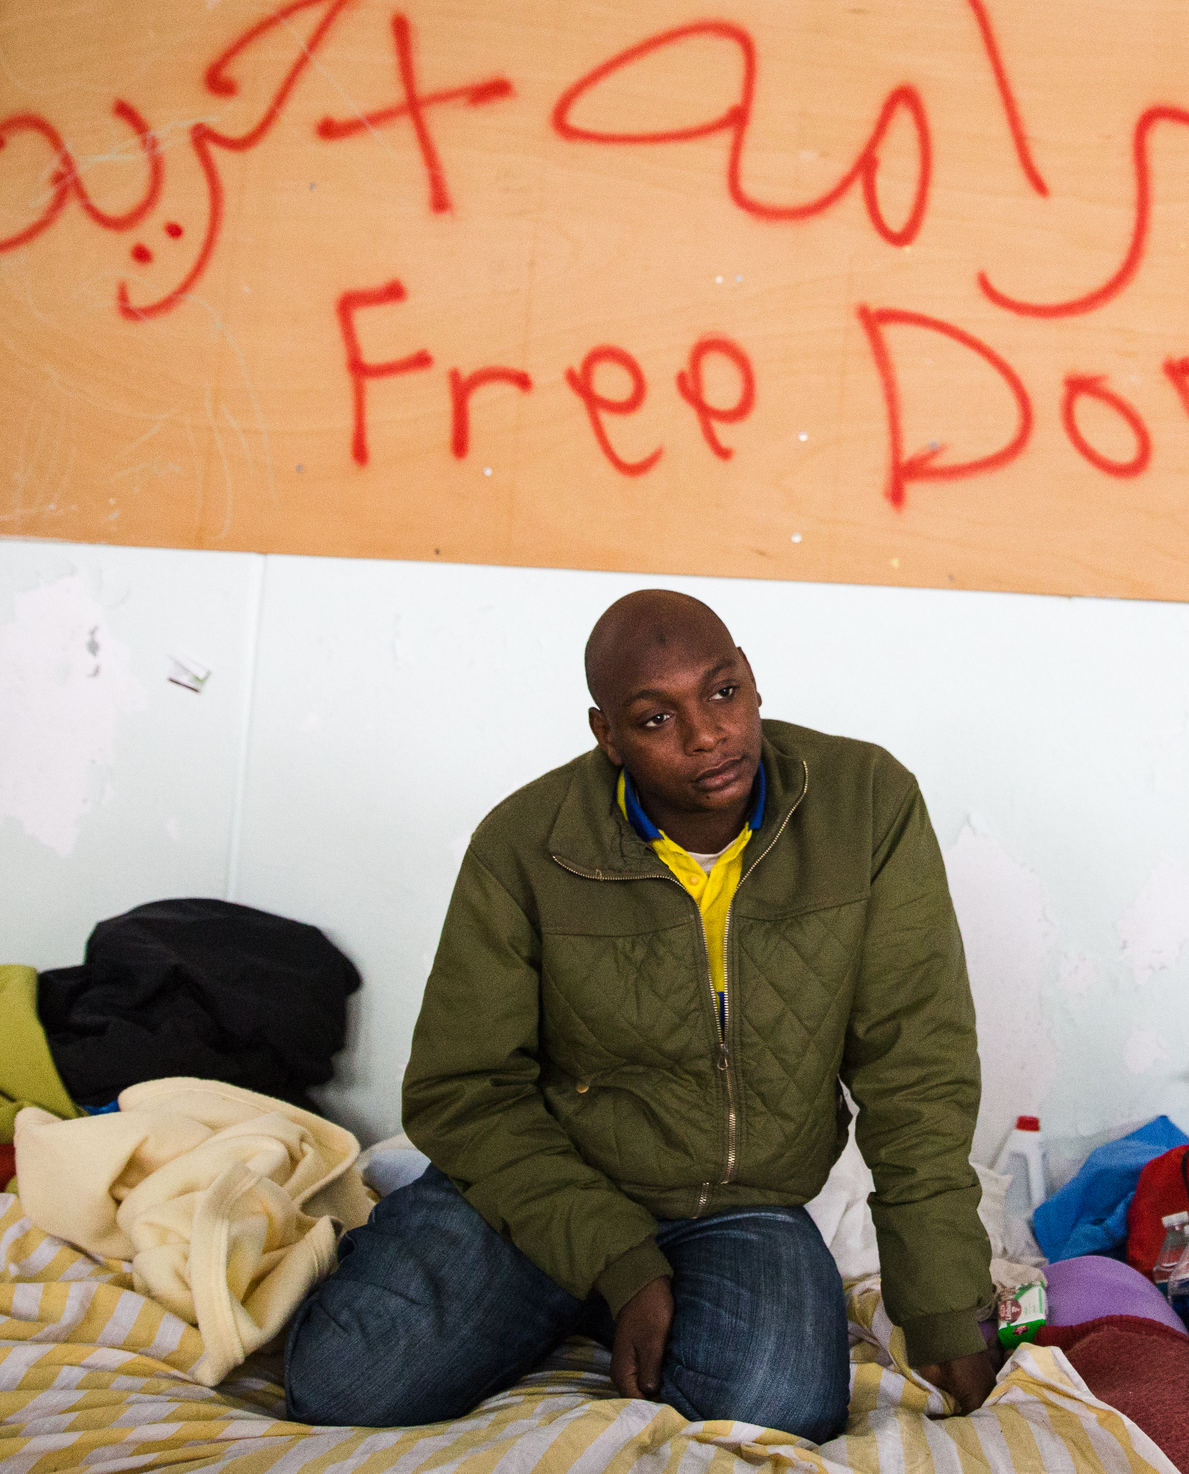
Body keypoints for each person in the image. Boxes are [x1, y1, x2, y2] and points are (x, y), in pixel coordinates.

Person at [284, 590, 997, 1436]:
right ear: (607, 736)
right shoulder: (524, 845)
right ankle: (525, 1270)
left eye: (724, 691)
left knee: (779, 1409)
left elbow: (914, 1064)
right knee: (343, 1385)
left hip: (743, 1201)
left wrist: (945, 1302)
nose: (707, 734)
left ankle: (582, 1306)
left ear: (754, 684)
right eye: (657, 718)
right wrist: (620, 1261)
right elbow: (462, 1089)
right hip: (550, 1187)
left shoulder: (867, 805)